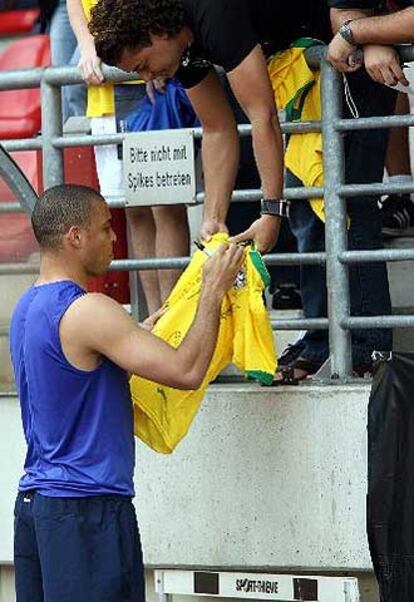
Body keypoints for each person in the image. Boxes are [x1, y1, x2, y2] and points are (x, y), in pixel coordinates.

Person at [88, 0, 397, 378]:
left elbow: (262, 115)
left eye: (142, 65)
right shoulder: (180, 47)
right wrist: (213, 219)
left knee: (345, 203)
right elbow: (218, 128)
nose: (150, 77)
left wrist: (270, 211)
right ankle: (320, 338)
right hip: (307, 68)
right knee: (307, 210)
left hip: (346, 46)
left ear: (156, 33)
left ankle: (370, 346)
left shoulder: (212, 14)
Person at [9, 183, 244, 602]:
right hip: (86, 512)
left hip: (39, 507)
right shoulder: (88, 311)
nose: (115, 237)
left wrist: (142, 333)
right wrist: (212, 288)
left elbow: (82, 377)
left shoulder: (28, 305)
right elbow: (186, 370)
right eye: (105, 229)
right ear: (74, 237)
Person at [67, 0, 196, 314]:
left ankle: (174, 319)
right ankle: (156, 318)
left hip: (157, 76)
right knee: (134, 208)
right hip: (106, 85)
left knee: (166, 204)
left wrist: (160, 54)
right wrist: (87, 45)